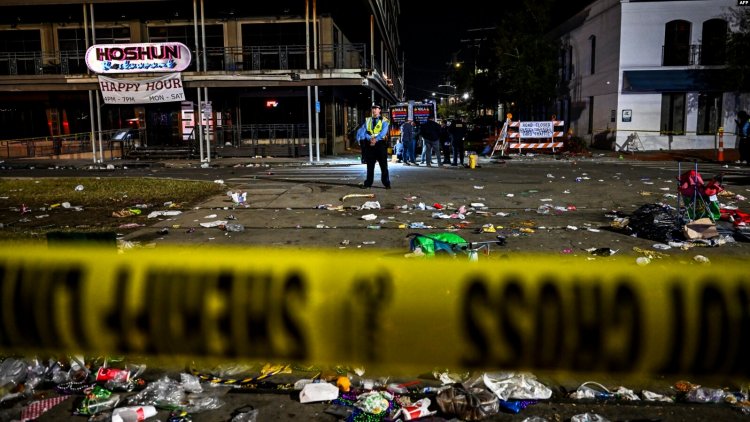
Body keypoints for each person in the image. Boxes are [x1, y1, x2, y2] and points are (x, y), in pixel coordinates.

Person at [359, 103, 391, 189]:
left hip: (380, 145)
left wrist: (375, 139)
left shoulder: (385, 121)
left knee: (383, 166)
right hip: (370, 145)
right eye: (373, 108)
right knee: (370, 166)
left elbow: (383, 132)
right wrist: (370, 139)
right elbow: (364, 131)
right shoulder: (368, 120)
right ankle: (368, 183)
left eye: (376, 108)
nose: (374, 110)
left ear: (380, 110)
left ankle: (386, 183)